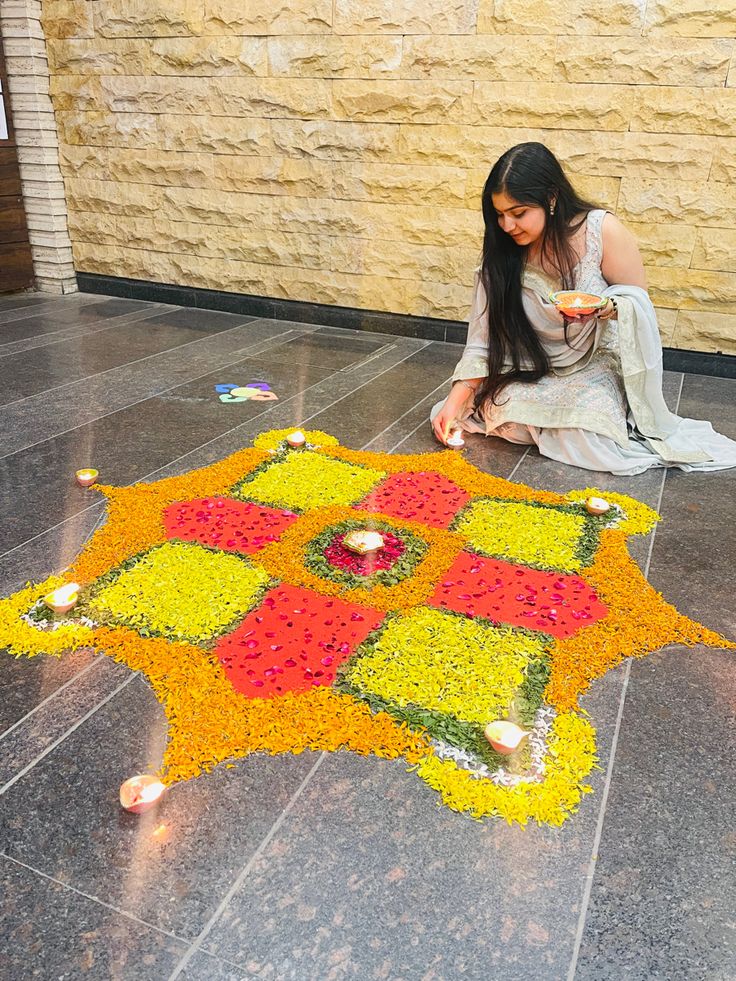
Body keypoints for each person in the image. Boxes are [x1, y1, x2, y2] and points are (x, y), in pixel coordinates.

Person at [431, 142, 736, 475]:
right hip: (532, 365)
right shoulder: (503, 250)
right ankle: (541, 422)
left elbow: (638, 305)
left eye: (518, 213)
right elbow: (484, 336)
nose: (507, 226)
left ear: (550, 198)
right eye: (499, 214)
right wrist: (456, 398)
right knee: (464, 414)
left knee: (586, 435)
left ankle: (564, 422)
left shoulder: (600, 232)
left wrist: (606, 308)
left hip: (596, 361)